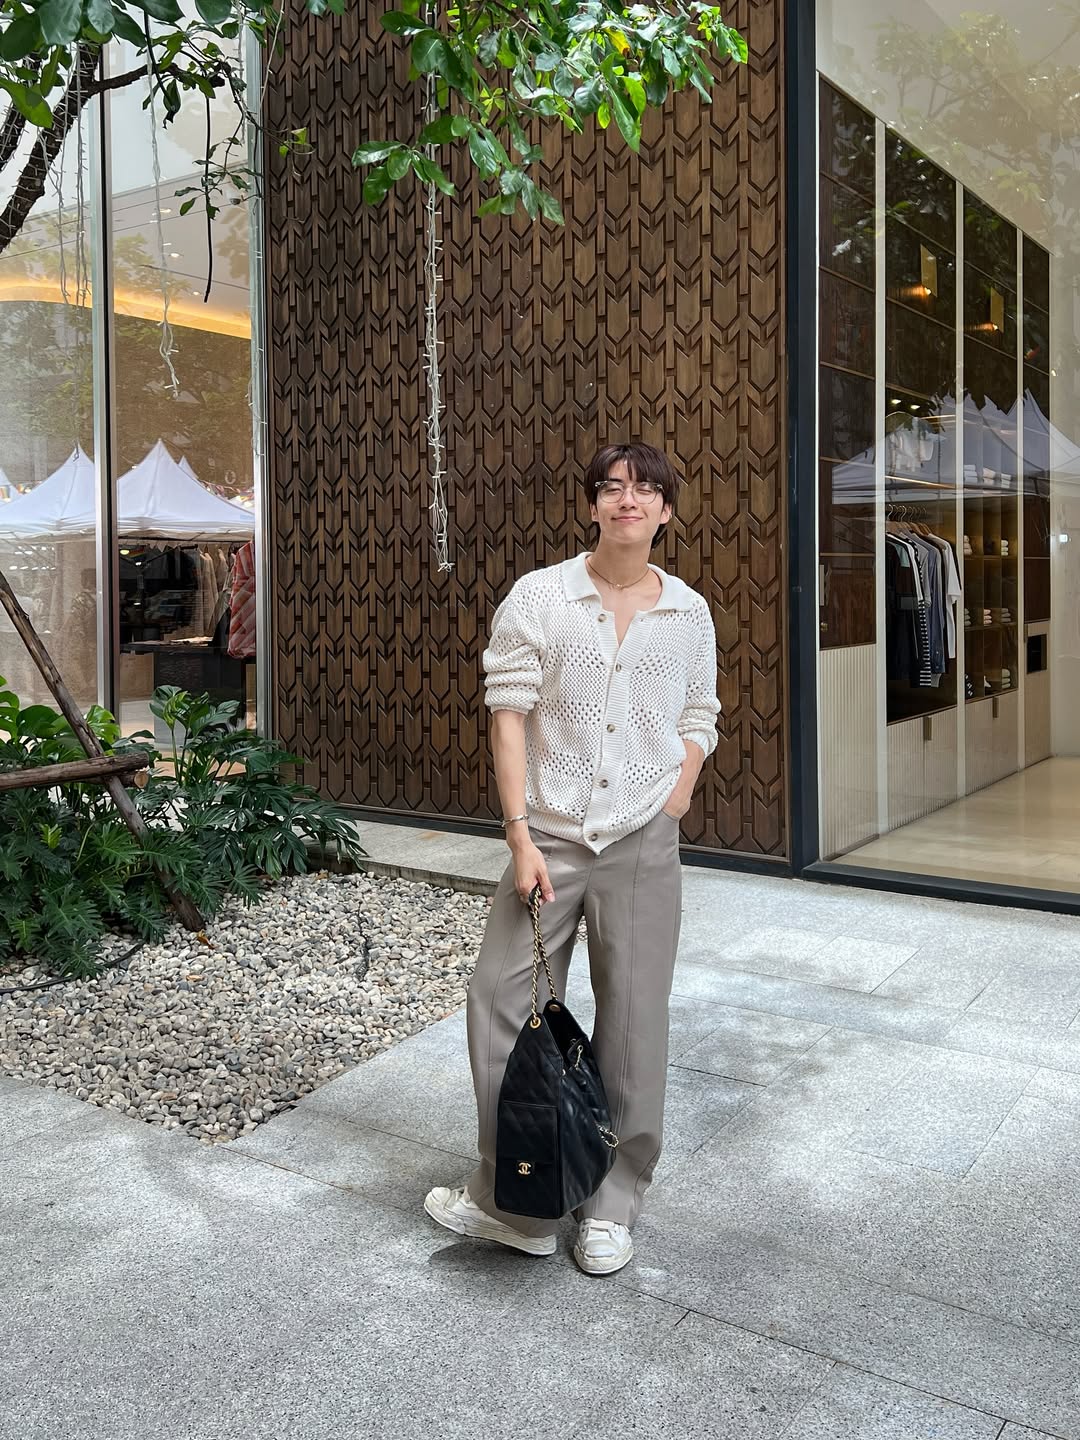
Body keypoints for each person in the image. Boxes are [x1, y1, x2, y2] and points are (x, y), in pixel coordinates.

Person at [424, 442, 720, 1275]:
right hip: (548, 837)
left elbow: (700, 711)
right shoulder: (541, 595)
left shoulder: (688, 612)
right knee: (500, 1000)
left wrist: (678, 792)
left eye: (647, 489)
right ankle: (518, 1198)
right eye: (612, 487)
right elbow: (508, 715)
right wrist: (519, 836)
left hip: (643, 839)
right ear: (592, 505)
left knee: (634, 1020)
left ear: (666, 511)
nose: (629, 499)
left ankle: (612, 1203)